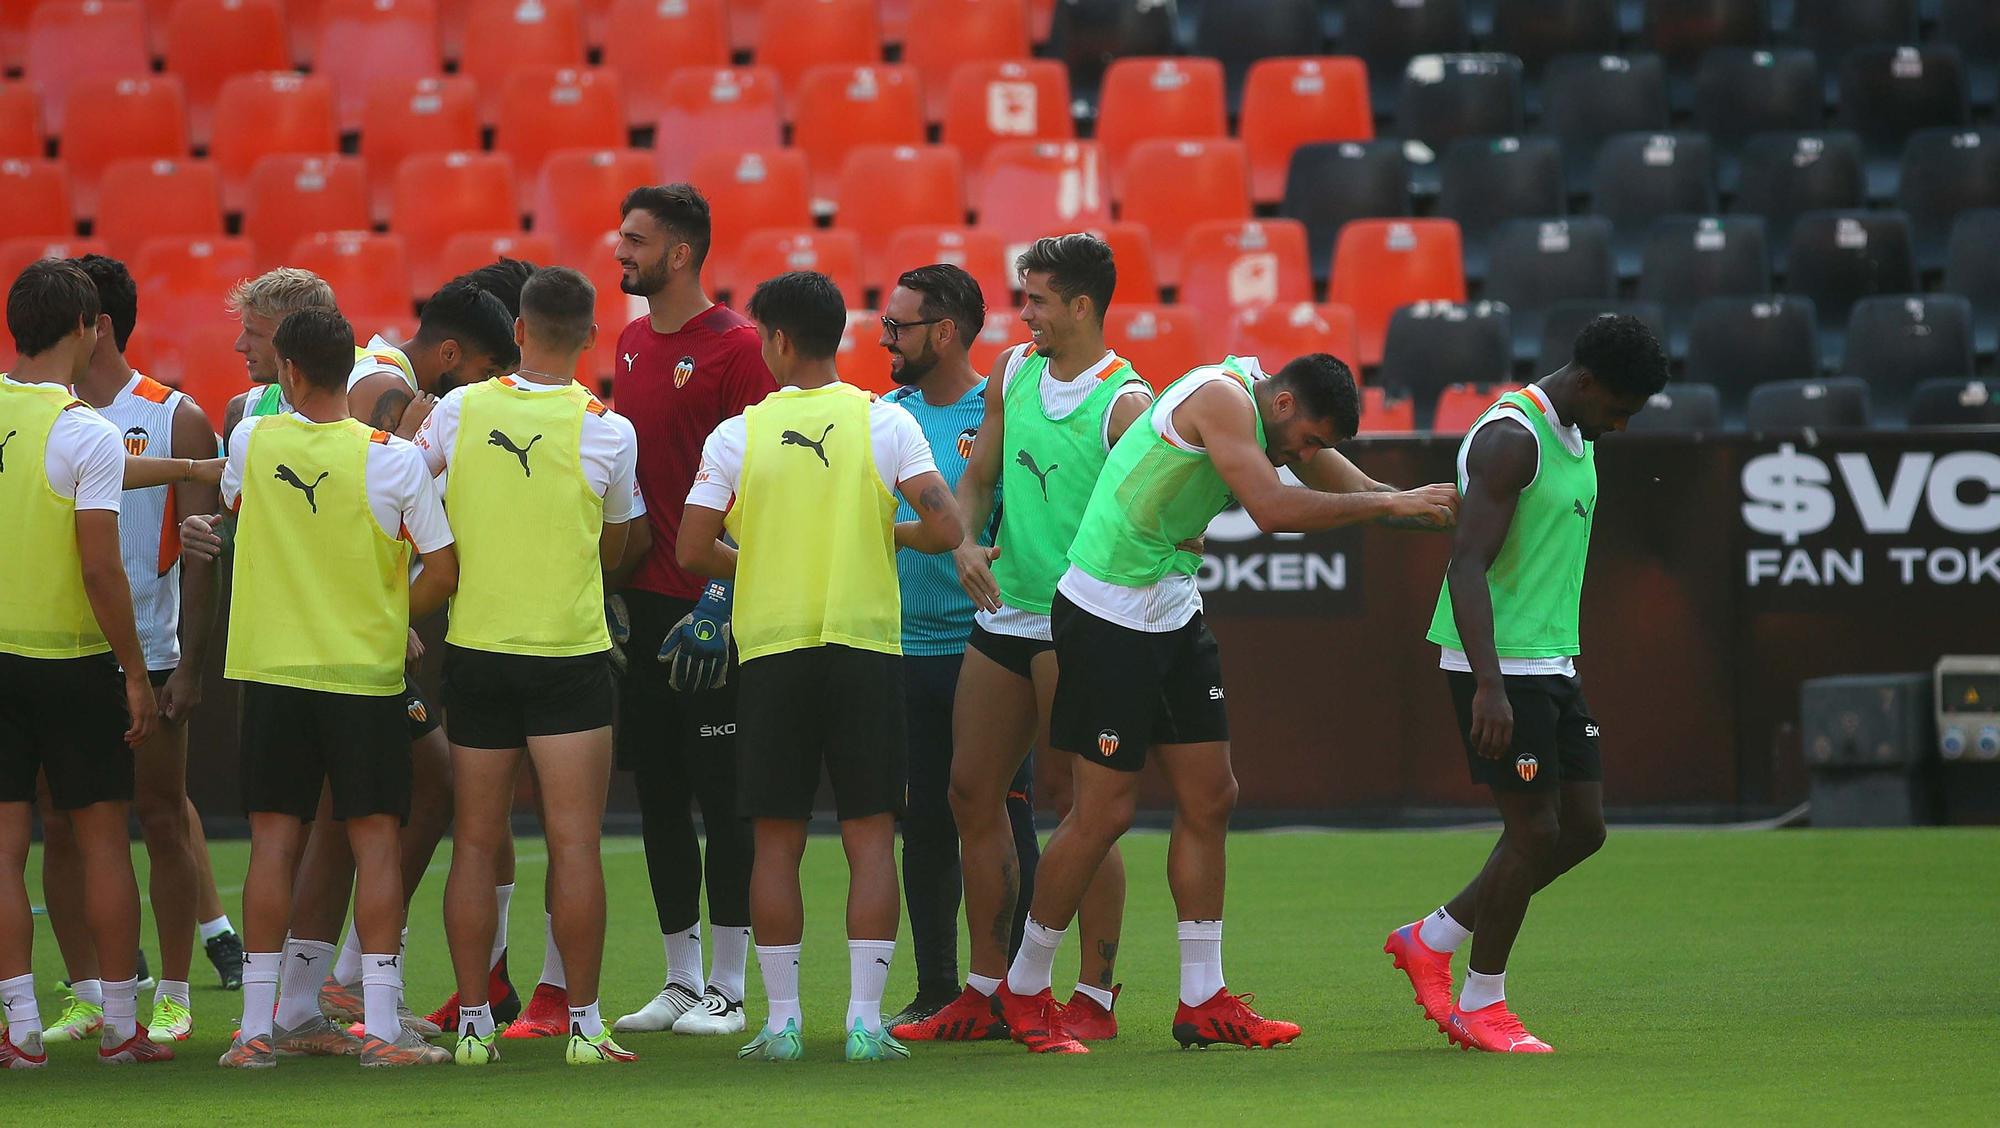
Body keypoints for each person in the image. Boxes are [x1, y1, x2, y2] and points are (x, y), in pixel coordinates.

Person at [998, 353, 1459, 1053]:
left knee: (1212, 796)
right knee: (1103, 813)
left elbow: (1366, 490)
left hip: (1172, 610)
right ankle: (1025, 989)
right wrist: (1391, 503)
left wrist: (1449, 506)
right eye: (1306, 440)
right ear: (1281, 406)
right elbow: (1273, 510)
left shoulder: (1272, 414)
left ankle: (1201, 999)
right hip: (1107, 613)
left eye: (1314, 448)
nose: (1305, 456)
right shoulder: (1221, 400)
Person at [678, 271, 963, 1063]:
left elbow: (693, 549)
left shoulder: (740, 434)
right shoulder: (885, 421)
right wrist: (886, 538)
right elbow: (947, 525)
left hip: (773, 651)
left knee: (777, 843)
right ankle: (867, 1023)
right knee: (871, 839)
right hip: (867, 649)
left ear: (775, 339)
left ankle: (782, 1024)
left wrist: (764, 561)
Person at [1385, 315, 1666, 1054]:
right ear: (1587, 382)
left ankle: (1430, 937)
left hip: (1549, 663)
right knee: (1533, 831)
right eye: (1619, 409)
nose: (1622, 425)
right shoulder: (1513, 438)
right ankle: (1482, 1005)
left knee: (1583, 830)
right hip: (1498, 668)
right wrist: (1488, 687)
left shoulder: (1579, 433)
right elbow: (1465, 564)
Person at [910, 234, 1150, 1044]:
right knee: (970, 794)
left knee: (1077, 810)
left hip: (1078, 624)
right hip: (1004, 615)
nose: (1025, 314)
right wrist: (967, 542)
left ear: (1081, 306)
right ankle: (986, 989)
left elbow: (1156, 525)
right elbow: (978, 480)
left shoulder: (1126, 404)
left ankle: (1094, 994)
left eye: (1038, 300)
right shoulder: (1013, 371)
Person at [212, 308, 458, 1069]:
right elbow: (444, 572)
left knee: (272, 845)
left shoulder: (252, 442)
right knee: (376, 843)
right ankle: (381, 1033)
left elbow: (234, 508)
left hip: (275, 672)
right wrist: (388, 612)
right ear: (348, 370)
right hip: (363, 677)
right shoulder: (392, 460)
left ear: (286, 370)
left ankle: (255, 1033)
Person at [419, 267, 645, 1067]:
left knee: (475, 843)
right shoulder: (606, 428)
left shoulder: (456, 409)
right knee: (575, 843)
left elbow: (407, 497)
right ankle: (584, 1025)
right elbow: (619, 545)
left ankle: (475, 1024)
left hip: (476, 649)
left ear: (518, 330)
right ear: (589, 337)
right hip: (568, 653)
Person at [32, 254, 233, 1049]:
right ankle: (87, 992)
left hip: (149, 646)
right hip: (62, 651)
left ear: (98, 325)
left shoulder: (175, 414)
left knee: (160, 818)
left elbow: (201, 547)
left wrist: (188, 663)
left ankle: (176, 991)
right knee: (62, 821)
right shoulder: (45, 414)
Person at [607, 184, 773, 1037]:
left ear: (679, 253)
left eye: (635, 239)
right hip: (643, 605)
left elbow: (760, 475)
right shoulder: (633, 341)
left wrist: (721, 591)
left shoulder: (738, 347)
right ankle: (678, 978)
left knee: (723, 795)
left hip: (715, 603)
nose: (619, 250)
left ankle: (730, 985)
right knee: (660, 795)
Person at [0, 259, 168, 1067]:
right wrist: (135, 672)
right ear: (87, 328)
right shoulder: (84, 431)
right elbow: (102, 568)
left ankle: (20, 1029)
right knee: (103, 840)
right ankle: (118, 1028)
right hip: (68, 660)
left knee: (3, 848)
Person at [874, 265, 1042, 1030]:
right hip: (902, 648)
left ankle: (1013, 984)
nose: (886, 339)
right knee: (926, 826)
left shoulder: (999, 411)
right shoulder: (885, 416)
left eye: (899, 326)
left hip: (991, 644)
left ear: (944, 332)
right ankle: (939, 985)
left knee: (1006, 816)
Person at [219, 268, 340, 446]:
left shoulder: (361, 407)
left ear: (299, 338)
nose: (240, 346)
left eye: (255, 334)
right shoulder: (243, 411)